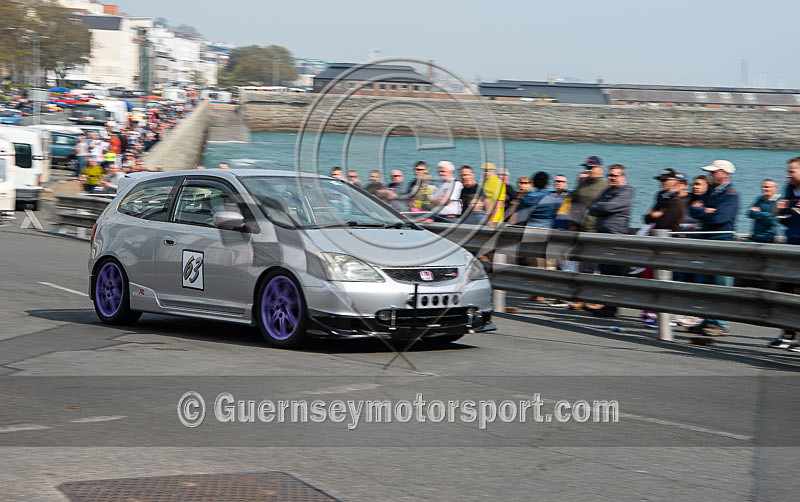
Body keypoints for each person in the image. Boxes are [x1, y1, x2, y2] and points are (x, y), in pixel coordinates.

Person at [687, 160, 740, 336]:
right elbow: (693, 210)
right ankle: (707, 320)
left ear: (724, 173)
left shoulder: (731, 195)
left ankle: (720, 323)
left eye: (714, 172)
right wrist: (707, 211)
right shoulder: (710, 192)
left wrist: (706, 212)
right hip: (706, 241)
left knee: (720, 283)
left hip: (722, 242)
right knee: (705, 282)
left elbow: (721, 218)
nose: (711, 175)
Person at [587, 164, 634, 317]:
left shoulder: (626, 191)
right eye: (610, 175)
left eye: (614, 175)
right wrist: (601, 206)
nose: (611, 178)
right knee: (605, 272)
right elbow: (592, 208)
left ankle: (612, 306)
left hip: (616, 238)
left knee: (614, 274)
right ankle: (606, 305)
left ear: (622, 177)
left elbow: (607, 207)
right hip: (603, 237)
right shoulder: (607, 190)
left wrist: (601, 206)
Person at [568, 156, 609, 309]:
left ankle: (598, 299)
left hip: (597, 230)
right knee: (582, 265)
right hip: (581, 228)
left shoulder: (605, 185)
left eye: (592, 168)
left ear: (600, 168)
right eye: (587, 167)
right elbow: (574, 202)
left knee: (596, 267)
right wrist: (572, 222)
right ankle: (581, 298)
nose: (589, 170)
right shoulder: (582, 182)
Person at [769, 158, 800, 350]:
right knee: (786, 292)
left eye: (792, 171)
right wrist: (777, 210)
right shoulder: (790, 190)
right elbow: (787, 220)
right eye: (787, 171)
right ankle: (788, 333)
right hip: (791, 245)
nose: (788, 175)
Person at [644, 168, 686, 233]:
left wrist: (653, 215)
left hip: (671, 237)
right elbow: (646, 219)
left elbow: (663, 224)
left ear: (674, 181)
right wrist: (652, 215)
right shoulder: (660, 195)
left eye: (664, 180)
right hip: (657, 234)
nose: (662, 182)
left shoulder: (676, 201)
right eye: (661, 180)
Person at [747, 179, 780, 243]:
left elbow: (773, 221)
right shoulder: (759, 199)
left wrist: (758, 213)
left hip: (768, 237)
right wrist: (767, 214)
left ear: (775, 188)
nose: (763, 189)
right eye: (762, 187)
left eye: (767, 187)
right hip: (756, 235)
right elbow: (749, 213)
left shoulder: (778, 201)